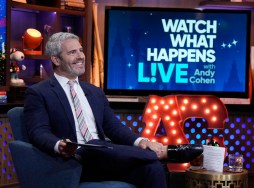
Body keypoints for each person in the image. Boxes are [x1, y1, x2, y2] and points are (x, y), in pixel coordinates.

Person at [24, 32, 203, 188]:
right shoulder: (39, 92)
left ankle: (154, 154)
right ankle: (162, 152)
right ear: (55, 59)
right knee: (93, 145)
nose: (80, 56)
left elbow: (114, 127)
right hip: (73, 162)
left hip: (105, 160)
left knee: (153, 168)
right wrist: (60, 145)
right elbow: (38, 131)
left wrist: (141, 141)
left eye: (81, 50)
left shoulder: (94, 92)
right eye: (72, 52)